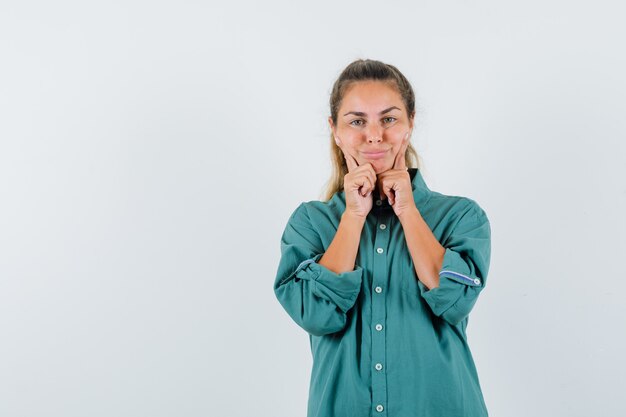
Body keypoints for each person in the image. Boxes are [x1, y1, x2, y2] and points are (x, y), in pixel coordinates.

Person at [273, 59, 492, 417]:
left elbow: (454, 301)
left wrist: (408, 211)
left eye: (388, 119)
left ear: (410, 124)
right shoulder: (310, 223)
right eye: (357, 121)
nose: (374, 134)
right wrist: (353, 215)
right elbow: (314, 314)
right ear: (335, 130)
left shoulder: (461, 217)